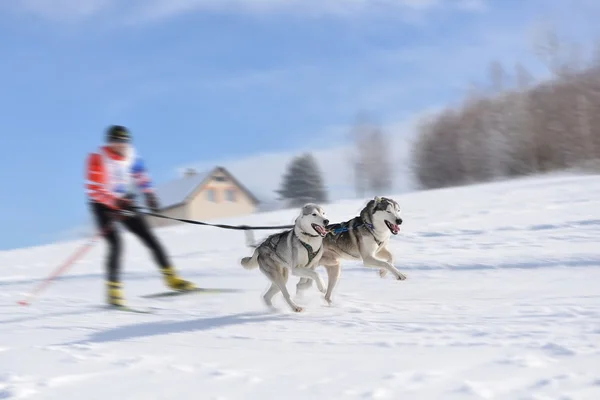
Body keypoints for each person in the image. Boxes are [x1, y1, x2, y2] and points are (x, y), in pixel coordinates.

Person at [85, 125, 195, 307]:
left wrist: (149, 194)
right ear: (109, 142)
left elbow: (141, 175)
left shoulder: (131, 155)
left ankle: (172, 279)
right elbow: (94, 189)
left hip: (124, 202)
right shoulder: (97, 158)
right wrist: (114, 202)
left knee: (150, 238)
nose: (121, 145)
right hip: (102, 205)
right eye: (117, 141)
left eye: (124, 141)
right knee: (116, 244)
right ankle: (114, 290)